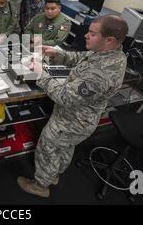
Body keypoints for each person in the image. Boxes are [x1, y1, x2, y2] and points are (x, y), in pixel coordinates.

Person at [17, 15, 128, 198]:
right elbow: (82, 58)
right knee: (64, 148)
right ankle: (53, 175)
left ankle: (40, 186)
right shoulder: (108, 53)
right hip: (76, 118)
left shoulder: (101, 74)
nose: (86, 35)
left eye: (92, 33)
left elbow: (65, 97)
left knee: (48, 147)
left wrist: (40, 73)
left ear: (109, 40)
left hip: (73, 120)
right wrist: (57, 53)